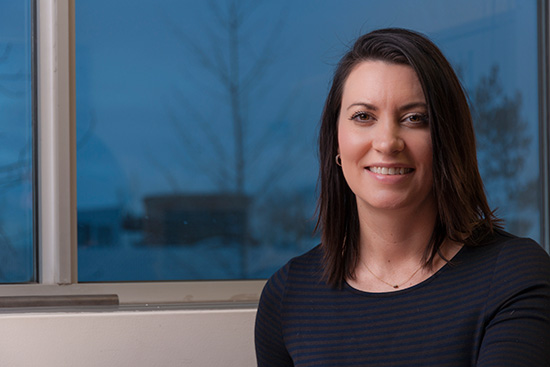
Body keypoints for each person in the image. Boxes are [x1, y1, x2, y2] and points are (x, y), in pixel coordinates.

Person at [254, 28, 550, 366]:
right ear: (336, 141)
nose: (387, 142)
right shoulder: (288, 296)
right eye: (363, 116)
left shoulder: (514, 275)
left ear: (446, 140)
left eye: (414, 119)